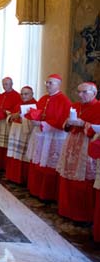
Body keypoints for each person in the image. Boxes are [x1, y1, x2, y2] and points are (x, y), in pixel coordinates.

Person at [56, 82, 100, 222]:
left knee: (84, 179)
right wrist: (68, 123)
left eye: (84, 92)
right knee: (67, 175)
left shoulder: (98, 107)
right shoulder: (75, 106)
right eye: (78, 92)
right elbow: (66, 124)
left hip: (86, 146)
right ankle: (66, 209)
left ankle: (82, 215)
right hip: (71, 144)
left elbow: (98, 129)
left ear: (94, 93)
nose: (80, 95)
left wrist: (84, 124)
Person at [25, 74, 71, 201]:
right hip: (41, 135)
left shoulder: (64, 100)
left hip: (53, 136)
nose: (47, 85)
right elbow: (37, 112)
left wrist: (42, 123)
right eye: (47, 82)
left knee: (49, 164)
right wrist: (32, 116)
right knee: (38, 161)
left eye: (50, 83)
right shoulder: (44, 98)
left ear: (58, 84)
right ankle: (35, 189)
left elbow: (62, 120)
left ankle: (47, 194)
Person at [5, 86, 37, 184]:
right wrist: (11, 117)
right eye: (22, 94)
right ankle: (12, 176)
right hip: (15, 131)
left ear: (32, 94)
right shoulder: (18, 104)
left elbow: (35, 122)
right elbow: (10, 117)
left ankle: (22, 179)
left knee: (23, 156)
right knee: (14, 154)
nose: (23, 96)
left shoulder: (35, 105)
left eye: (26, 94)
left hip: (25, 134)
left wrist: (19, 116)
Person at [0, 77, 21, 170]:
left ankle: (5, 165)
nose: (5, 86)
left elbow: (16, 111)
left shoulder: (17, 96)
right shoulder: (1, 95)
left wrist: (5, 112)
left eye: (7, 84)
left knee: (6, 144)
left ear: (12, 84)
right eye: (3, 84)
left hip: (7, 123)